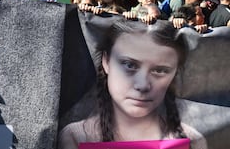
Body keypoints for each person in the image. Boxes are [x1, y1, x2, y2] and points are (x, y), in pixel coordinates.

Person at [58, 19, 207, 149]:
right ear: (106, 61)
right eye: (129, 65)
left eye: (160, 70)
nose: (142, 85)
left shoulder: (191, 140)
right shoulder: (76, 136)